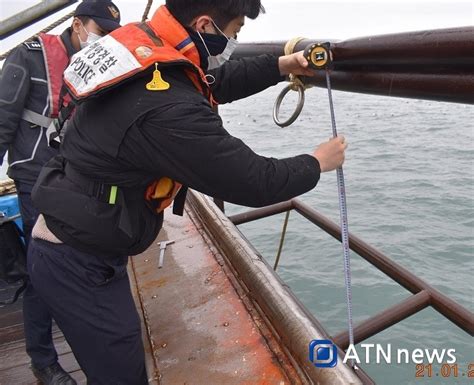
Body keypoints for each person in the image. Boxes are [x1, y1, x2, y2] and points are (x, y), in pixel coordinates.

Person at [28, 0, 348, 384]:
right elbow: (253, 180)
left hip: (74, 227)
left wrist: (282, 66)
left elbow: (212, 81)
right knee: (122, 375)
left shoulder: (150, 50)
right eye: (233, 35)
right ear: (205, 25)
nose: (231, 44)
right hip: (77, 261)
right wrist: (317, 162)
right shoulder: (166, 107)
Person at [0, 1, 121, 383]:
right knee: (43, 268)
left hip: (81, 179)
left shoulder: (104, 64)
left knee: (84, 262)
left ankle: (96, 347)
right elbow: (2, 119)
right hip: (36, 179)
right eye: (98, 30)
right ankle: (43, 360)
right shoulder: (29, 56)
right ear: (77, 24)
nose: (103, 39)